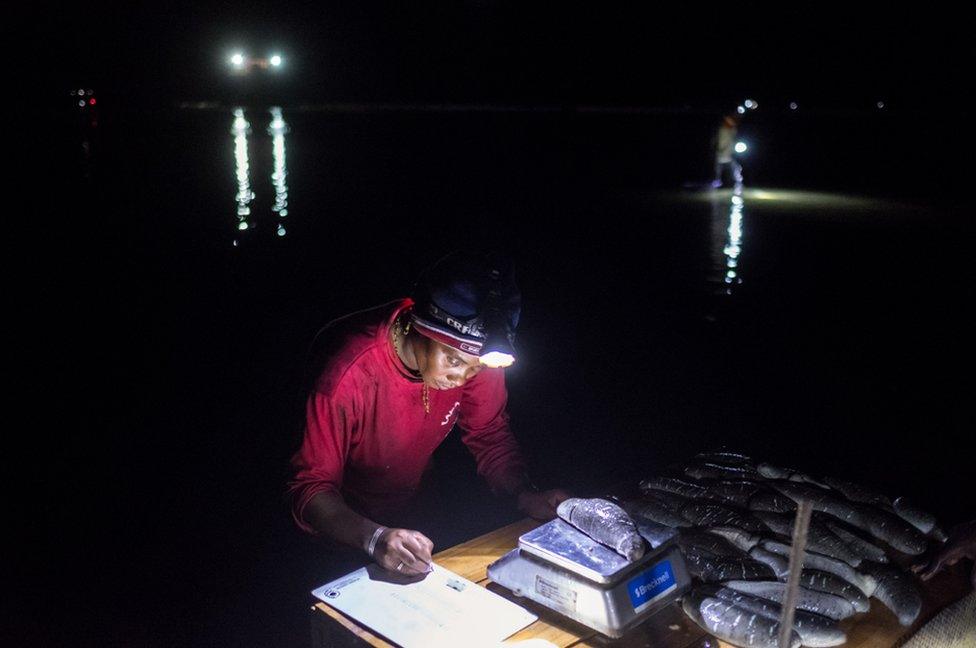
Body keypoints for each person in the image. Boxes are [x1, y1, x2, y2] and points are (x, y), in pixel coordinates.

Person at [289, 251, 571, 577]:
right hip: (344, 536)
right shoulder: (345, 374)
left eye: (476, 366)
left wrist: (525, 496)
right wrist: (375, 538)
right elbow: (309, 489)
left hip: (419, 521)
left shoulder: (474, 352)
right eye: (453, 361)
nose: (463, 377)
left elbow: (488, 432)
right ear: (417, 328)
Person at [712, 114, 741, 188]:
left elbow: (734, 138)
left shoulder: (733, 130)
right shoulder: (721, 130)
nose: (729, 122)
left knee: (733, 167)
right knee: (718, 168)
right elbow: (716, 140)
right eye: (727, 120)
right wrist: (716, 147)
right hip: (720, 152)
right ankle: (717, 180)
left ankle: (735, 179)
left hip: (729, 153)